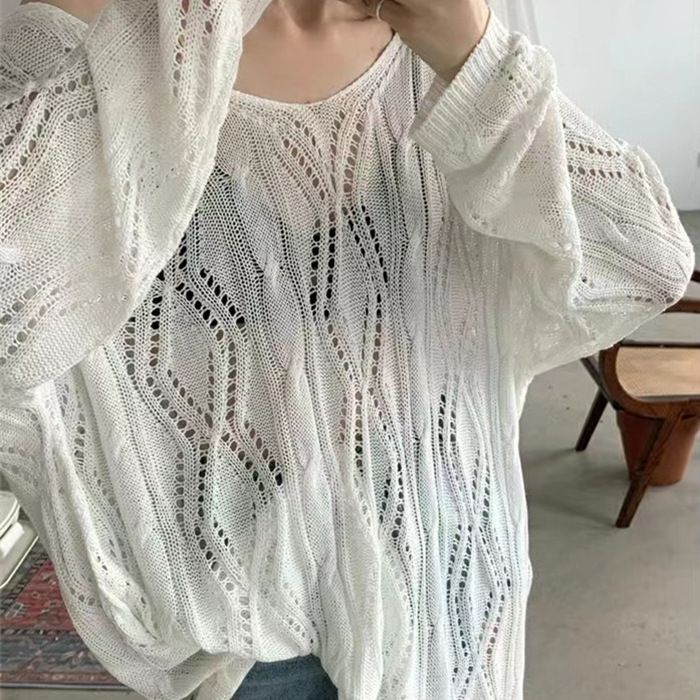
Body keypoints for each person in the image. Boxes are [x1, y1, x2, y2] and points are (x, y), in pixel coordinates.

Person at [0, 0, 694, 699]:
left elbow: (643, 262)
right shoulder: (66, 39)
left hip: (450, 577)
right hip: (244, 632)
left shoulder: (434, 39)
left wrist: (477, 62)